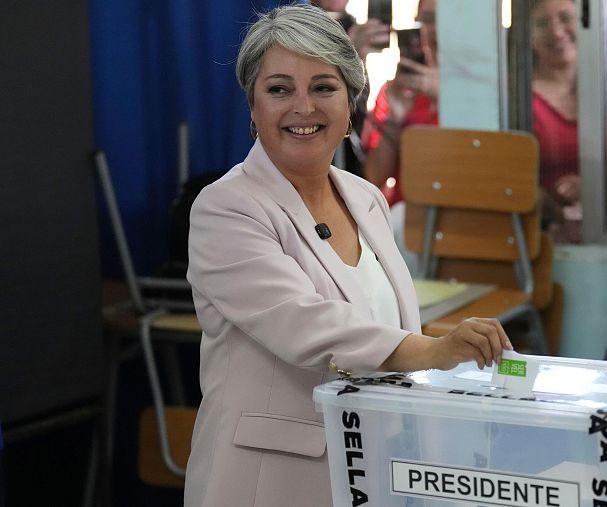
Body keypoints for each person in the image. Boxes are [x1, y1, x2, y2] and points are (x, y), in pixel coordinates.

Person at [183, 6, 512, 506]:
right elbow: (308, 326)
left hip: (373, 470)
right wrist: (435, 350)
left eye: (323, 87)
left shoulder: (367, 198)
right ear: (252, 106)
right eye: (279, 89)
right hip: (267, 482)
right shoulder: (225, 208)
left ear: (351, 99)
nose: (303, 107)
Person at [361, 0, 439, 206]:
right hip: (409, 215)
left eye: (447, 21)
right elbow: (374, 177)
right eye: (428, 21)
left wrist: (446, 97)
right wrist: (394, 118)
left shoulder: (487, 91)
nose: (436, 30)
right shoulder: (398, 90)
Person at [311, 0, 390, 178]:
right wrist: (349, 54)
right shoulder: (295, 23)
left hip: (344, 162)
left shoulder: (350, 24)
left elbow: (355, 108)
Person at [530, 0, 581, 243]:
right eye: (542, 23)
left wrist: (594, 189)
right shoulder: (518, 98)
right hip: (544, 237)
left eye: (564, 17)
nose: (556, 30)